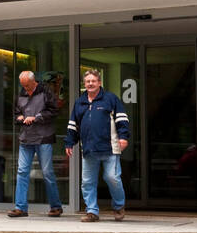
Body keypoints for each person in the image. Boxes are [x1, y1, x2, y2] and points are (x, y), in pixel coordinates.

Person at [65, 69, 130, 222]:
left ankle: (119, 206)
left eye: (93, 81)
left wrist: (124, 137)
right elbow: (73, 125)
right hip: (88, 149)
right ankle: (92, 212)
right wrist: (69, 142)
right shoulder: (80, 102)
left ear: (99, 83)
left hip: (110, 148)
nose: (90, 84)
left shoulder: (110, 99)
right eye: (87, 81)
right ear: (84, 84)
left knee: (112, 178)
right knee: (87, 182)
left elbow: (122, 119)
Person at [9, 70, 64, 218]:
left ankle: (56, 206)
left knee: (47, 172)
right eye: (23, 85)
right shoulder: (21, 94)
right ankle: (20, 207)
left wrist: (36, 118)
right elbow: (15, 114)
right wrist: (20, 117)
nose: (25, 88)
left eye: (27, 85)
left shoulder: (46, 91)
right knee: (22, 172)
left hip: (43, 137)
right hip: (26, 138)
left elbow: (53, 111)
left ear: (34, 81)